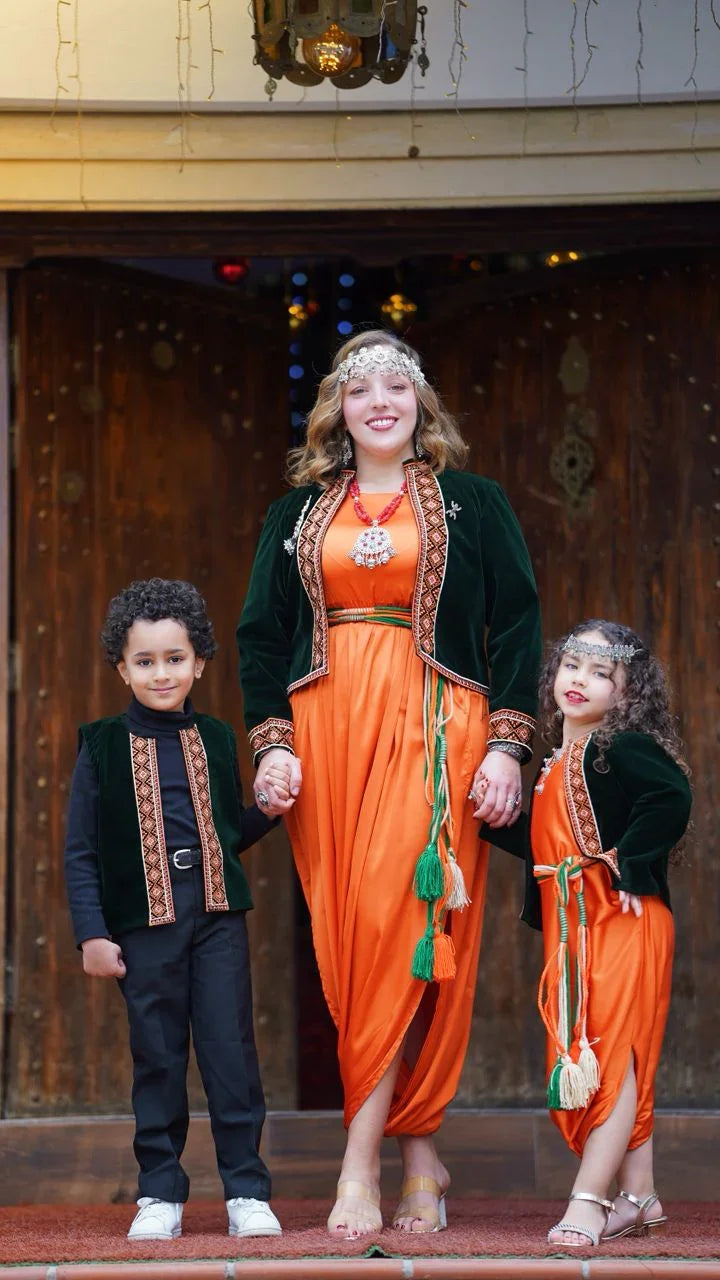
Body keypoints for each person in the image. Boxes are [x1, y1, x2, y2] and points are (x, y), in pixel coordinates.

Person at [237, 330, 542, 1237]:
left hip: (435, 723)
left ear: (421, 405)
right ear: (338, 407)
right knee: (353, 942)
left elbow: (518, 626)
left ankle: (359, 1163)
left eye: (397, 386)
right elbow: (259, 636)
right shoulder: (295, 512)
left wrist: (507, 747)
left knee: (404, 918)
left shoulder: (473, 502)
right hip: (327, 729)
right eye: (360, 386)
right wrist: (272, 744)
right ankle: (421, 1155)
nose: (380, 400)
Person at [64, 578, 290, 1242]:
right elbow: (80, 851)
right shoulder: (101, 745)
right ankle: (158, 1191)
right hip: (144, 930)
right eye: (145, 661)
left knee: (230, 1052)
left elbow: (228, 833)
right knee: (158, 1057)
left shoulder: (218, 739)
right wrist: (91, 934)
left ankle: (246, 1189)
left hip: (216, 918)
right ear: (121, 668)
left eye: (174, 659)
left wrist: (267, 814)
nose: (161, 673)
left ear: (199, 663)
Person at [482, 620, 692, 1249]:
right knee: (606, 1052)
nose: (581, 681)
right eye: (573, 666)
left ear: (627, 695)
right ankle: (640, 1194)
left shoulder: (616, 748)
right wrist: (484, 814)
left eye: (603, 674)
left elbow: (670, 796)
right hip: (576, 926)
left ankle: (590, 1199)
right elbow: (542, 840)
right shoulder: (552, 765)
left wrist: (634, 863)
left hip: (620, 915)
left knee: (615, 1056)